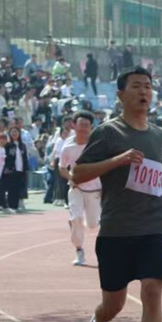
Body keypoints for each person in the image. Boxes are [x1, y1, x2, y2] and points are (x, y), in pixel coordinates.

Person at [71, 66, 162, 322]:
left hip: (153, 226)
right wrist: (117, 161)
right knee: (114, 304)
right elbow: (78, 173)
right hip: (117, 230)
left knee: (152, 290)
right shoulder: (108, 133)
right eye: (136, 86)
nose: (143, 92)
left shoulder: (159, 136)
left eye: (148, 87)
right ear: (121, 95)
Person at [58, 111, 100, 266]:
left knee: (93, 224)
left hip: (95, 189)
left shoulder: (96, 144)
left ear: (91, 127)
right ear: (73, 125)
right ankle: (79, 250)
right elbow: (62, 168)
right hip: (76, 189)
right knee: (76, 219)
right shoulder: (67, 147)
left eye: (87, 125)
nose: (83, 128)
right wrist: (72, 178)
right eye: (80, 125)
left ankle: (79, 224)